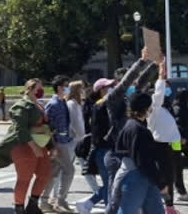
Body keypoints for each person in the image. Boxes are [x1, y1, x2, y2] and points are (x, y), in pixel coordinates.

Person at [104, 49, 158, 214]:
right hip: (119, 157)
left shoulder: (131, 100)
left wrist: (155, 64)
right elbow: (127, 83)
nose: (133, 85)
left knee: (141, 204)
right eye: (129, 82)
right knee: (116, 202)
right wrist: (141, 61)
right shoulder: (113, 99)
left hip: (134, 156)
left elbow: (140, 81)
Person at [0, 79, 53, 214]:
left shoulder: (39, 104)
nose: (41, 90)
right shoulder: (22, 105)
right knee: (24, 179)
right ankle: (19, 209)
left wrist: (51, 147)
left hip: (41, 145)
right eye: (39, 87)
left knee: (44, 174)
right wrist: (34, 147)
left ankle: (32, 205)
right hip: (24, 147)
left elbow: (45, 128)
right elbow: (21, 130)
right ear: (30, 89)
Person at [114, 92, 165, 214]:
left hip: (135, 174)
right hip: (137, 176)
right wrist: (161, 182)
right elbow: (144, 161)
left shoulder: (129, 125)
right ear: (146, 108)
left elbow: (119, 149)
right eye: (150, 106)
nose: (151, 109)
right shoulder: (140, 130)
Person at [75, 78, 114, 214]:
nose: (110, 89)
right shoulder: (97, 107)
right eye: (107, 87)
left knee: (112, 184)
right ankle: (95, 205)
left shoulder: (104, 105)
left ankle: (88, 203)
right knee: (111, 184)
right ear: (100, 91)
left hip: (106, 149)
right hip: (102, 150)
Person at [147, 64, 182, 214]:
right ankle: (167, 207)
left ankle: (169, 206)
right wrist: (161, 77)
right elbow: (158, 95)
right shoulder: (154, 108)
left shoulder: (166, 108)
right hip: (159, 147)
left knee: (170, 177)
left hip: (171, 146)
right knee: (164, 178)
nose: (167, 90)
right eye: (165, 87)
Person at [42, 75, 75, 213]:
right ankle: (60, 201)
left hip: (63, 142)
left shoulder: (62, 102)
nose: (68, 88)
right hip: (58, 143)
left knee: (53, 173)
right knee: (69, 170)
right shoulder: (53, 104)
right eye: (66, 86)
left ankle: (44, 201)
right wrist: (52, 146)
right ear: (60, 88)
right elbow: (46, 127)